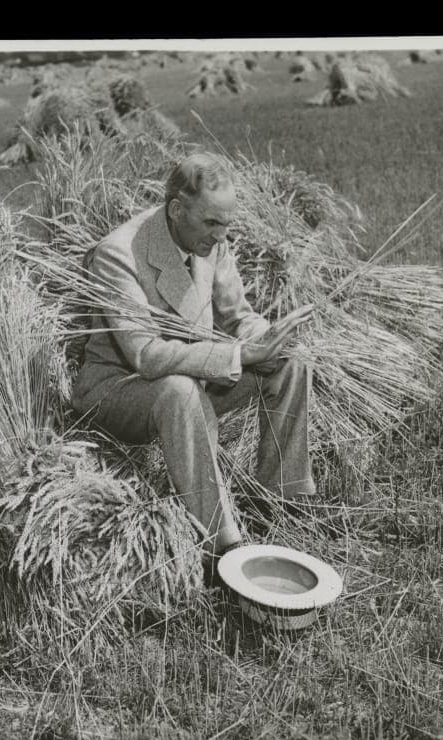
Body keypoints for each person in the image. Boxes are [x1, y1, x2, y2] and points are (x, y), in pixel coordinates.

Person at [71, 152, 316, 581]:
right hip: (120, 391)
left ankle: (281, 500)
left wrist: (269, 338)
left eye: (226, 224)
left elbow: (237, 316)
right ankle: (222, 548)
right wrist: (240, 355)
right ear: (176, 210)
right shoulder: (118, 253)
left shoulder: (211, 241)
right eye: (211, 223)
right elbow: (146, 355)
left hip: (190, 379)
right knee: (181, 391)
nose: (221, 236)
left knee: (289, 364)